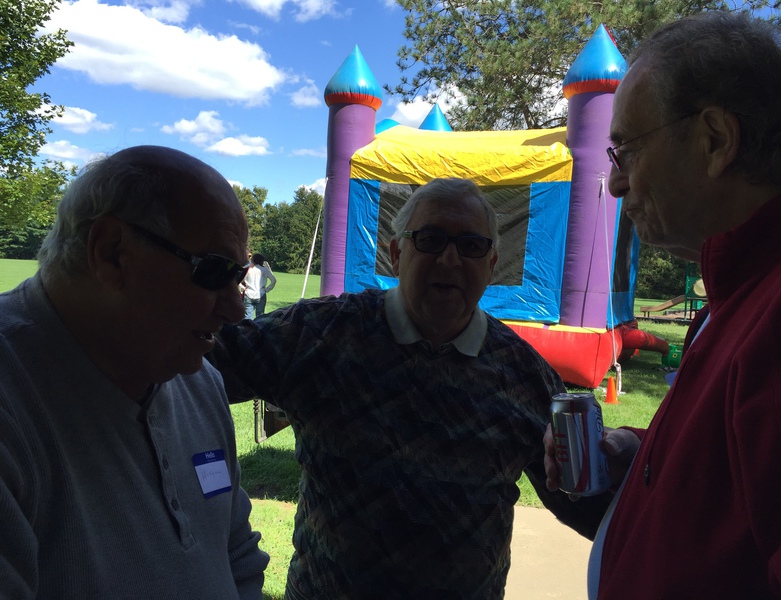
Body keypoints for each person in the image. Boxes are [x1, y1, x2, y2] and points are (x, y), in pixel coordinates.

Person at [211, 177, 611, 599]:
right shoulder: (322, 333)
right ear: (396, 254)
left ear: (492, 264)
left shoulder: (522, 372)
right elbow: (199, 360)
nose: (451, 260)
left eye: (472, 246)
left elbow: (585, 502)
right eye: (431, 239)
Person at [543, 11, 781, 599]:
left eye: (626, 151)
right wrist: (637, 453)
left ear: (716, 140)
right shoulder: (739, 297)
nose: (615, 184)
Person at [0, 146, 270, 598]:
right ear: (111, 253)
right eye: (214, 272)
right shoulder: (13, 402)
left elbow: (237, 554)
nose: (236, 310)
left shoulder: (197, 381)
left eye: (238, 276)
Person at [240, 252, 277, 319]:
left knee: (247, 317)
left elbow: (238, 280)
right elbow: (273, 280)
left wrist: (243, 288)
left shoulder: (248, 269)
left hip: (248, 293)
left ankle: (247, 326)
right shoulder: (264, 270)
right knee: (260, 317)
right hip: (261, 293)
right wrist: (267, 289)